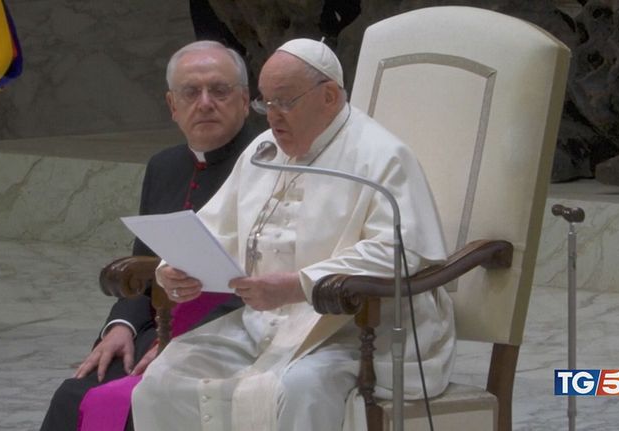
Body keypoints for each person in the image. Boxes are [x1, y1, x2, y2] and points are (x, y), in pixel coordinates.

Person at [132, 38, 455, 430]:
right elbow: (215, 227)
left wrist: (300, 285)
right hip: (262, 325)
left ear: (329, 96)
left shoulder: (382, 156)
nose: (272, 116)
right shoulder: (264, 151)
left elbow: (401, 251)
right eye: (266, 102)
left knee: (299, 388)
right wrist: (176, 268)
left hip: (351, 331)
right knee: (162, 380)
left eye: (284, 101)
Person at [40, 40, 260, 431]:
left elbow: (266, 272)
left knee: (136, 405)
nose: (205, 103)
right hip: (159, 324)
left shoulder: (268, 165)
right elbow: (143, 266)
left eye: (219, 90)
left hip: (229, 333)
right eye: (191, 92)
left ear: (244, 100)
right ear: (173, 106)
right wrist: (120, 326)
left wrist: (180, 342)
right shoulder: (165, 166)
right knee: (73, 395)